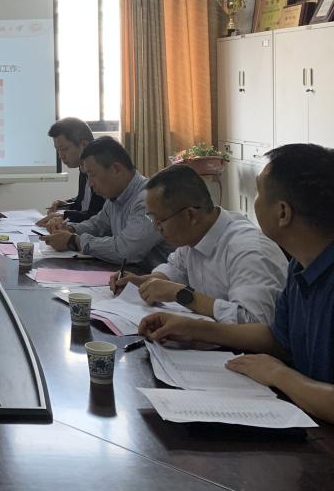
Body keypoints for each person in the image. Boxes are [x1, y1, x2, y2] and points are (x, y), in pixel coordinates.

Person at [140, 144, 334, 422]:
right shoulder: (300, 265)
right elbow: (278, 340)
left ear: (283, 213)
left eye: (258, 193)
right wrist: (192, 329)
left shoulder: (255, 249)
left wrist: (280, 375)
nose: (253, 202)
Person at [110, 163, 287, 323]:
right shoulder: (194, 236)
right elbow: (175, 269)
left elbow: (254, 322)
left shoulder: (248, 251)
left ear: (190, 215)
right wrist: (142, 282)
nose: (156, 227)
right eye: (151, 218)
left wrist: (182, 294)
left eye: (159, 220)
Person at [42, 137, 171, 271]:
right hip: (130, 275)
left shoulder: (147, 200)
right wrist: (69, 229)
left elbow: (126, 250)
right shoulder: (115, 196)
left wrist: (74, 241)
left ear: (116, 169)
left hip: (156, 279)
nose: (90, 184)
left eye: (92, 174)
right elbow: (97, 225)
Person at [37, 118, 104, 227]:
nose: (60, 156)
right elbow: (84, 202)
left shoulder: (101, 170)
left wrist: (64, 215)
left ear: (84, 145)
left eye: (64, 149)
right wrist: (67, 205)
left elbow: (98, 217)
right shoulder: (82, 166)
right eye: (57, 150)